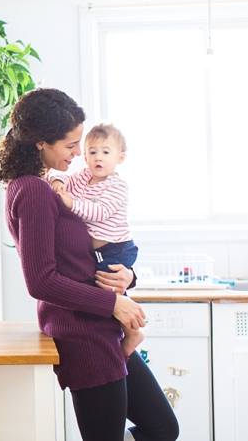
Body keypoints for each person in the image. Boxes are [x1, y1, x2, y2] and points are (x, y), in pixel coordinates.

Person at [0, 88, 178, 441]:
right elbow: (41, 281)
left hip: (99, 328)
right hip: (82, 334)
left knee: (162, 428)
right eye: (70, 145)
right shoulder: (32, 190)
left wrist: (126, 276)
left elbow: (83, 254)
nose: (79, 153)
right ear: (39, 143)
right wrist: (114, 303)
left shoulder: (47, 186)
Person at [48, 122, 143, 357]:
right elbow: (56, 174)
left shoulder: (117, 186)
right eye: (92, 152)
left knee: (108, 286)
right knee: (104, 285)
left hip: (116, 248)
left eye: (105, 152)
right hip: (99, 250)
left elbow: (99, 212)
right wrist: (58, 183)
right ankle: (124, 330)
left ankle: (131, 332)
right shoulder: (82, 177)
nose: (98, 158)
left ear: (120, 158)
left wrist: (71, 203)